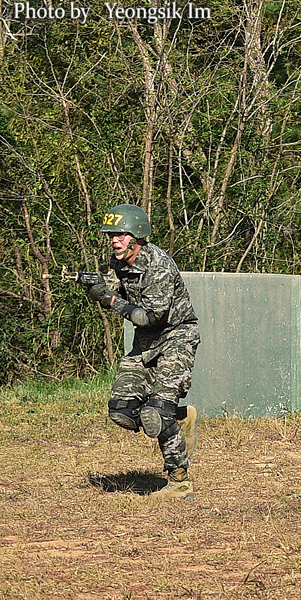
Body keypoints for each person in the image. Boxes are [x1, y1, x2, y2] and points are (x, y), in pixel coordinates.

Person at [78, 204, 201, 499]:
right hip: (144, 344)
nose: (114, 240)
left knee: (157, 414)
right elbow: (111, 284)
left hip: (176, 338)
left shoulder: (159, 266)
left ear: (137, 236)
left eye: (120, 234)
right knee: (122, 412)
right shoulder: (119, 261)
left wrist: (108, 301)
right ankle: (181, 417)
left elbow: (149, 317)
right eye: (111, 235)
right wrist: (94, 283)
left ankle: (179, 483)